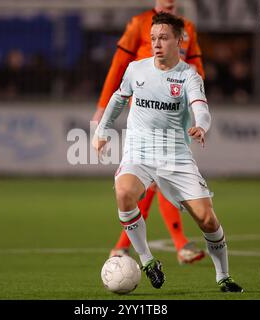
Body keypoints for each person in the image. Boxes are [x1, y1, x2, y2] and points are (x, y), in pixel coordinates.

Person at [93, 12, 243, 292]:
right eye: (152, 38)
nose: (156, 43)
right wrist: (102, 130)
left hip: (175, 155)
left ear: (179, 40)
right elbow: (118, 98)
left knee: (207, 220)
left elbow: (202, 109)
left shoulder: (188, 76)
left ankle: (223, 276)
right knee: (124, 193)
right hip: (139, 151)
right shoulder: (137, 69)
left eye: (163, 38)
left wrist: (201, 125)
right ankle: (148, 260)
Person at [93, 0, 206, 265]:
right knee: (157, 179)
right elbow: (119, 64)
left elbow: (196, 69)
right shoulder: (139, 23)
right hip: (145, 113)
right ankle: (178, 245)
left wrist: (198, 107)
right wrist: (102, 108)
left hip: (176, 113)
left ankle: (123, 247)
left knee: (157, 181)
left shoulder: (187, 28)